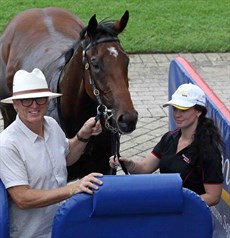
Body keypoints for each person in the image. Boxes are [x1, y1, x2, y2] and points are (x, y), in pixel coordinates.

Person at [0, 68, 103, 238]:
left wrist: (83, 136)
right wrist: (73, 188)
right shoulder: (7, 144)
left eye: (40, 99)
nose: (34, 105)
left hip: (64, 226)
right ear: (15, 104)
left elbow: (67, 157)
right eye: (26, 101)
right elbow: (23, 198)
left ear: (47, 101)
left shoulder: (51, 124)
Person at [110, 83, 224, 207]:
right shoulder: (169, 138)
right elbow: (145, 168)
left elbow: (213, 196)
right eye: (175, 109)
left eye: (183, 110)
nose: (177, 114)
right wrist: (129, 164)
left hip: (189, 216)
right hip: (166, 208)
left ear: (198, 111)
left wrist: (179, 203)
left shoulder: (208, 150)